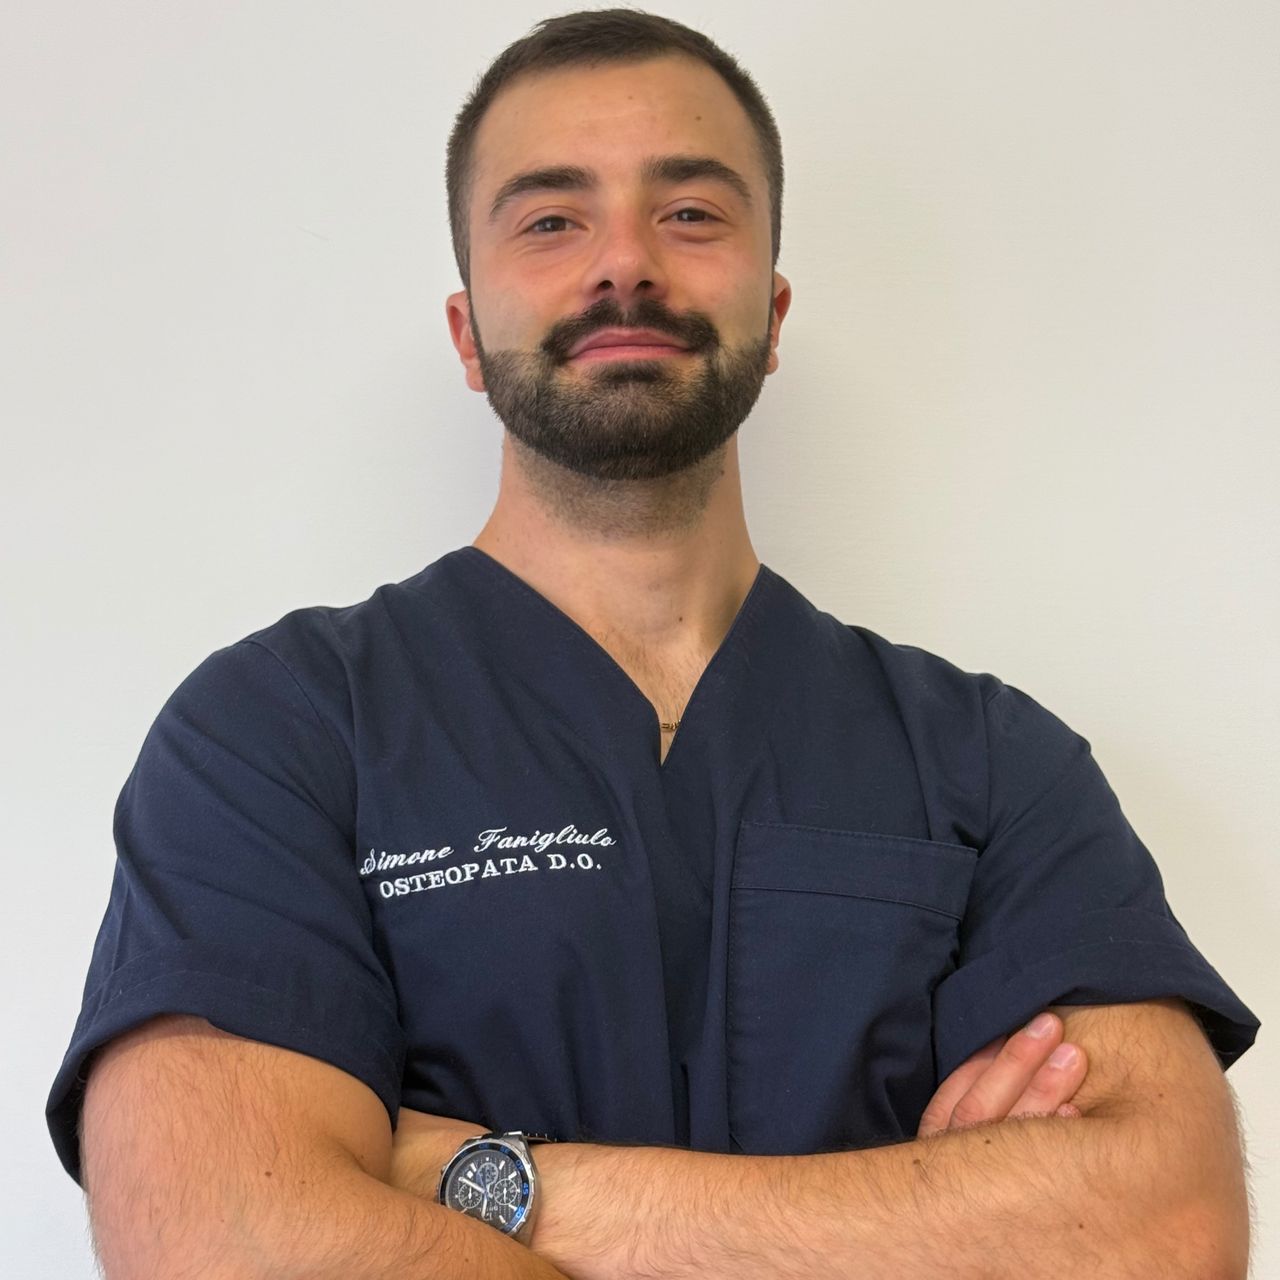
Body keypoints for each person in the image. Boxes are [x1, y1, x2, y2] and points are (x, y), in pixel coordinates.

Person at [49, 10, 1258, 1278]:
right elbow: (226, 1241)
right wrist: (943, 1217)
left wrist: (489, 1184)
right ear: (466, 334)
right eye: (550, 220)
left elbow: (1162, 1232)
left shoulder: (992, 760)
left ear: (772, 314)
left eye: (689, 212)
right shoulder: (277, 732)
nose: (623, 263)